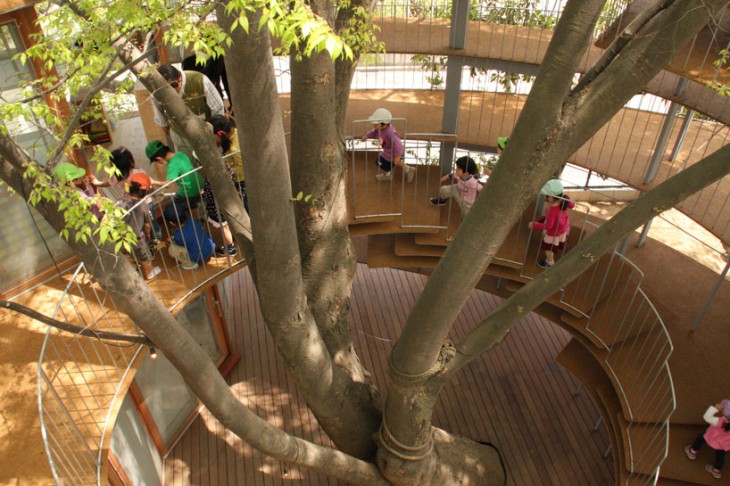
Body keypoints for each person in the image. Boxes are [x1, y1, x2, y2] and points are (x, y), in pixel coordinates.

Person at [153, 63, 225, 158]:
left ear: (179, 78)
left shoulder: (199, 80)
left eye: (174, 88)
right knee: (190, 168)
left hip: (207, 133)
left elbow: (218, 109)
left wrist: (215, 134)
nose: (172, 93)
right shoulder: (157, 92)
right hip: (182, 137)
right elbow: (163, 123)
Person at [146, 140, 204, 220]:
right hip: (199, 184)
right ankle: (197, 222)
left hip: (189, 191)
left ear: (158, 158)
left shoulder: (172, 165)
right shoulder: (179, 154)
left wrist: (153, 181)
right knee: (192, 205)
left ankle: (187, 225)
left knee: (172, 208)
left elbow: (168, 185)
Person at [120, 173, 161, 280]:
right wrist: (148, 235)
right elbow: (147, 224)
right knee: (145, 257)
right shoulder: (143, 206)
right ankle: (149, 273)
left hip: (122, 237)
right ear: (146, 192)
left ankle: (132, 269)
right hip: (137, 237)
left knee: (125, 253)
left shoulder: (121, 202)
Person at [528, 179, 575, 268]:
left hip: (554, 233)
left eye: (546, 196)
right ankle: (551, 258)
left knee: (548, 248)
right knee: (554, 245)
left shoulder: (552, 211)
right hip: (563, 228)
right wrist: (567, 198)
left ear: (551, 197)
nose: (545, 197)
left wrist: (534, 225)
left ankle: (550, 262)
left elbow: (549, 226)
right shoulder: (564, 200)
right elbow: (572, 205)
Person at [361, 108, 415, 183]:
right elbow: (373, 132)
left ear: (384, 125)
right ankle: (409, 169)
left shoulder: (390, 133)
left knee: (380, 162)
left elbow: (398, 144)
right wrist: (366, 136)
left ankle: (387, 176)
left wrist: (397, 156)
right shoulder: (379, 129)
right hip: (389, 150)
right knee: (395, 162)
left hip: (392, 152)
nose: (374, 125)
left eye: (376, 124)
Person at [685, 400, 730, 480]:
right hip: (725, 445)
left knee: (700, 439)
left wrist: (715, 409)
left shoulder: (720, 422)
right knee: (720, 456)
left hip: (712, 438)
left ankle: (692, 451)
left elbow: (707, 417)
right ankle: (716, 471)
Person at [210, 115, 247, 211]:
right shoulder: (235, 133)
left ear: (221, 133)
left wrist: (225, 171)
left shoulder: (235, 148)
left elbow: (242, 170)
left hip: (242, 184)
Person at [163, 203, 215, 270]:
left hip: (199, 256)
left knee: (171, 249)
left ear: (171, 223)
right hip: (211, 247)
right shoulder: (192, 219)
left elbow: (180, 244)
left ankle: (190, 264)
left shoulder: (178, 235)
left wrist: (172, 240)